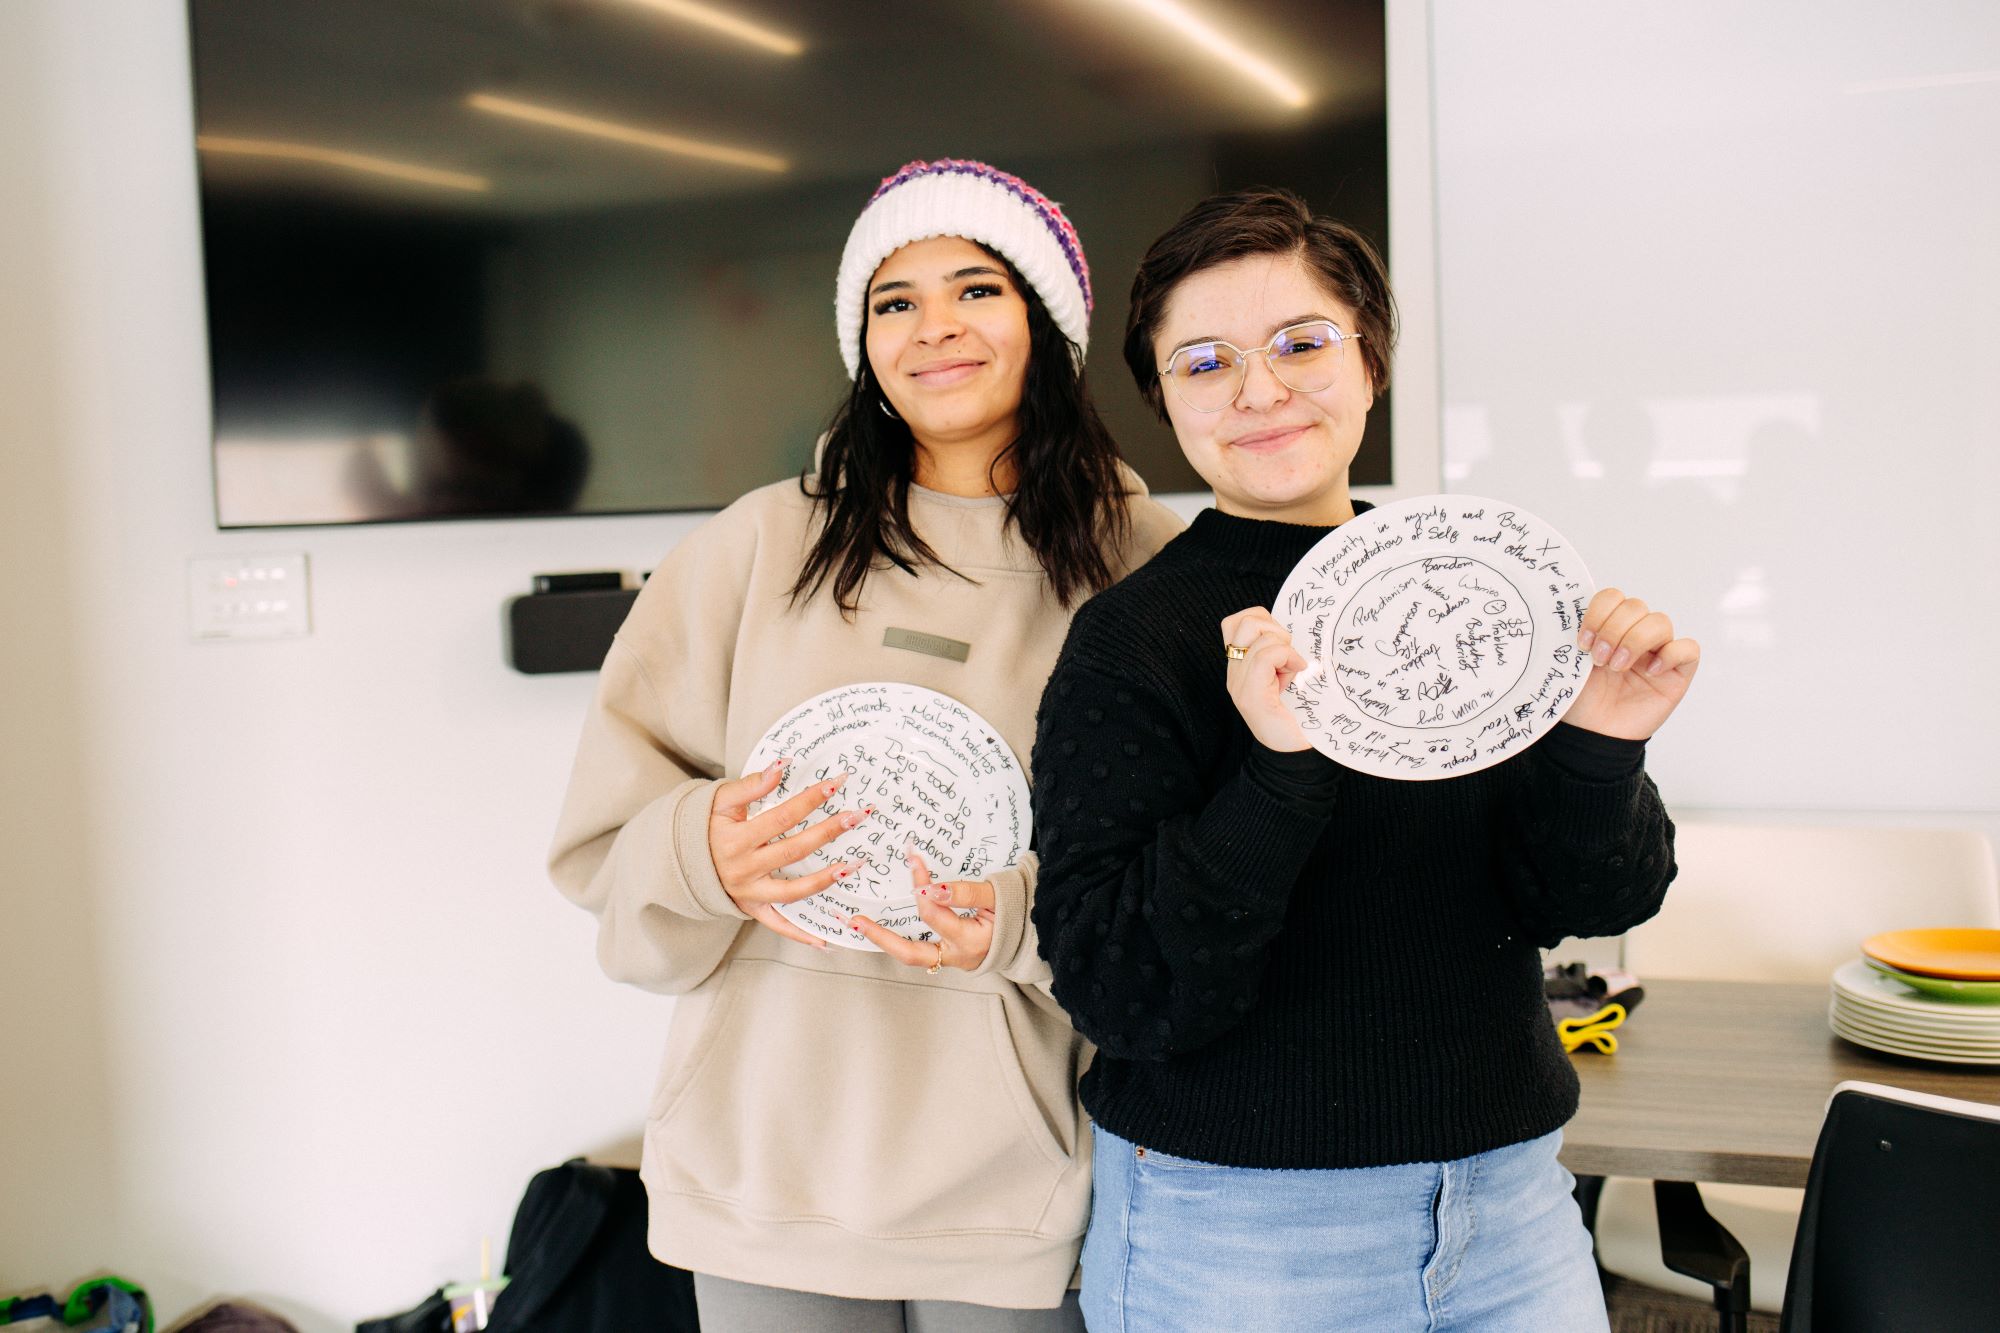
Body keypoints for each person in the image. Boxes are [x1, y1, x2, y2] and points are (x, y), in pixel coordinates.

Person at [1029, 188, 1702, 1331]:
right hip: (1240, 1235)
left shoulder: (1467, 586)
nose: (1259, 389)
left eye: (1301, 342)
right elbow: (1118, 989)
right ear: (1164, 403)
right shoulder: (1131, 642)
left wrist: (1601, 739)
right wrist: (1276, 772)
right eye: (1203, 362)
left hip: (1512, 1204)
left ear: (1371, 359)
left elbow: (1590, 896)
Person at [548, 159, 1183, 1331]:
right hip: (760, 1173)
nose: (932, 328)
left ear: (1045, 323)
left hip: (1016, 1183)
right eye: (893, 301)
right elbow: (603, 845)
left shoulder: (1141, 560)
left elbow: (1188, 884)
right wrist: (704, 854)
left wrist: (1016, 917)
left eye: (975, 289)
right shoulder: (755, 545)